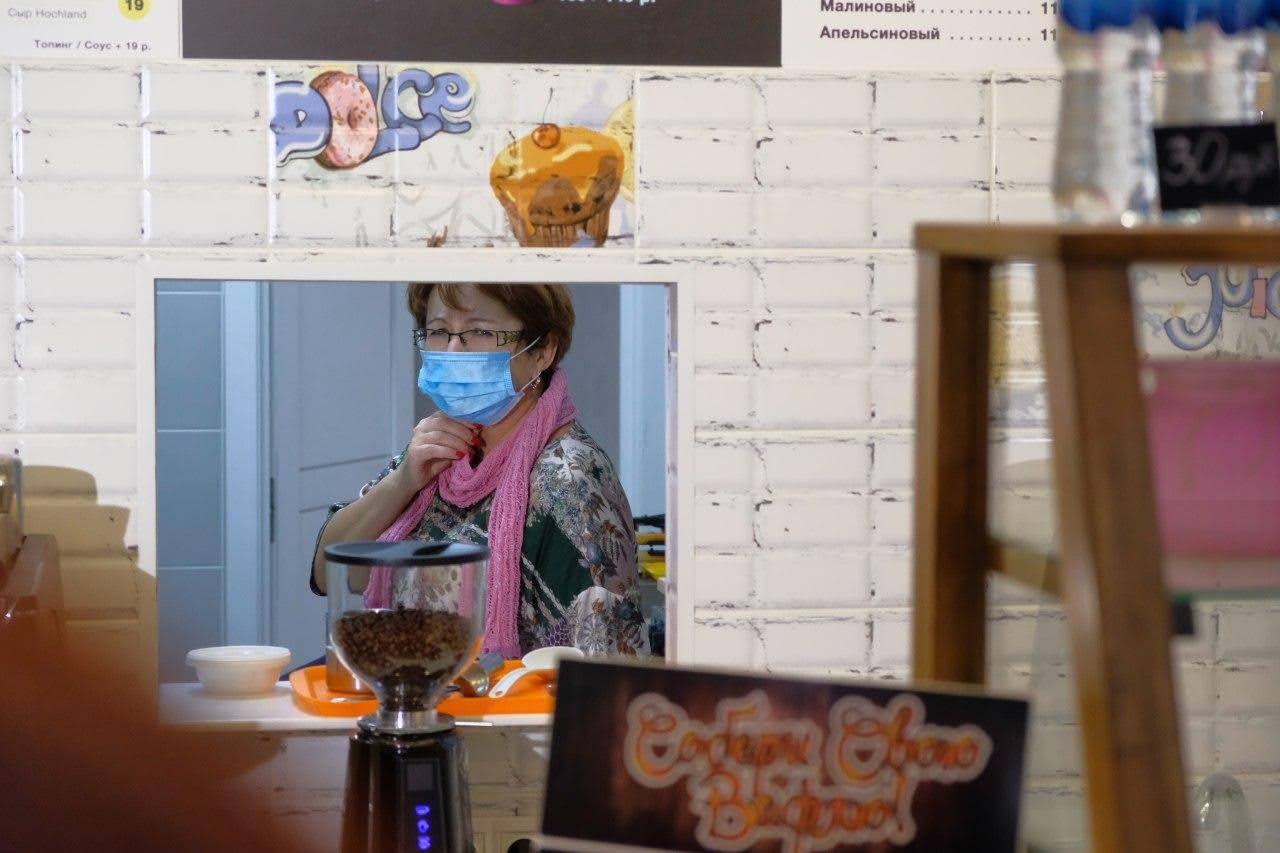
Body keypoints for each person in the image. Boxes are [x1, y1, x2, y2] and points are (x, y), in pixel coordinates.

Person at [312, 282, 648, 659]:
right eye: (439, 331)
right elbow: (331, 574)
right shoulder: (436, 447)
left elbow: (604, 666)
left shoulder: (569, 478)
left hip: (507, 695)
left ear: (542, 351)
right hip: (411, 682)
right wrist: (402, 481)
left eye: (481, 332)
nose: (453, 351)